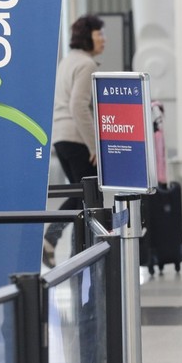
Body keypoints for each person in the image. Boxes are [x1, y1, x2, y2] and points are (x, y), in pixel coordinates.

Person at [45, 14, 105, 268]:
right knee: (88, 196)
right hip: (76, 138)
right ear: (87, 36)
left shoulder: (68, 61)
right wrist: (94, 146)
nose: (103, 39)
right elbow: (78, 106)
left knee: (79, 194)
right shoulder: (86, 65)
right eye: (99, 34)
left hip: (62, 137)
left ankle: (73, 253)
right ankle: (66, 247)